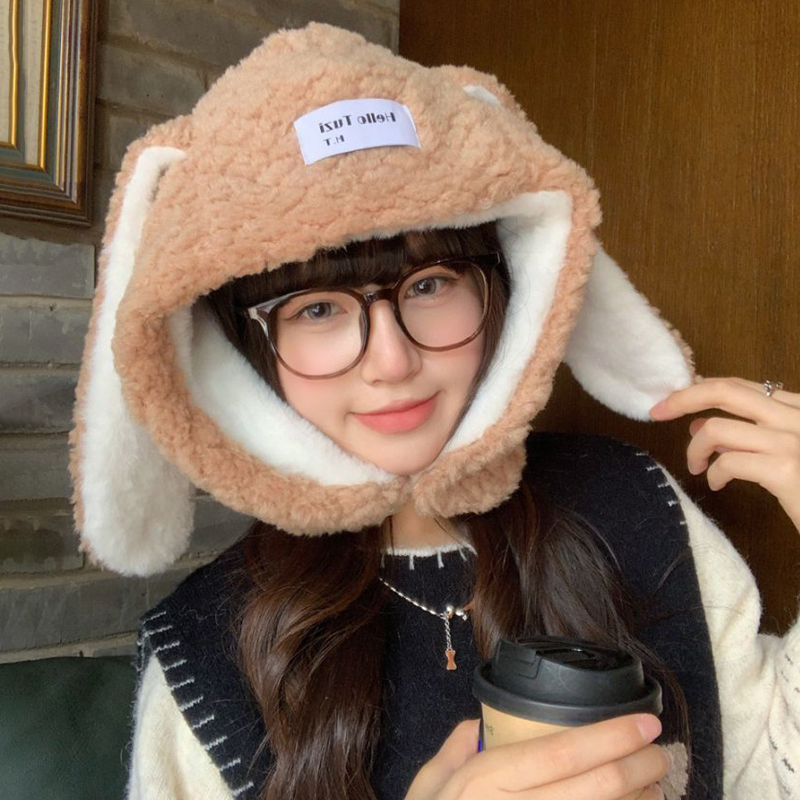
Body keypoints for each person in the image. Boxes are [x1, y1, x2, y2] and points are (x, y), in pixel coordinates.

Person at [67, 22, 799, 800]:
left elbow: (768, 772)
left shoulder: (637, 503)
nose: (392, 361)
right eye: (318, 309)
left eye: (429, 285)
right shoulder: (204, 647)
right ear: (244, 353)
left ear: (506, 288)